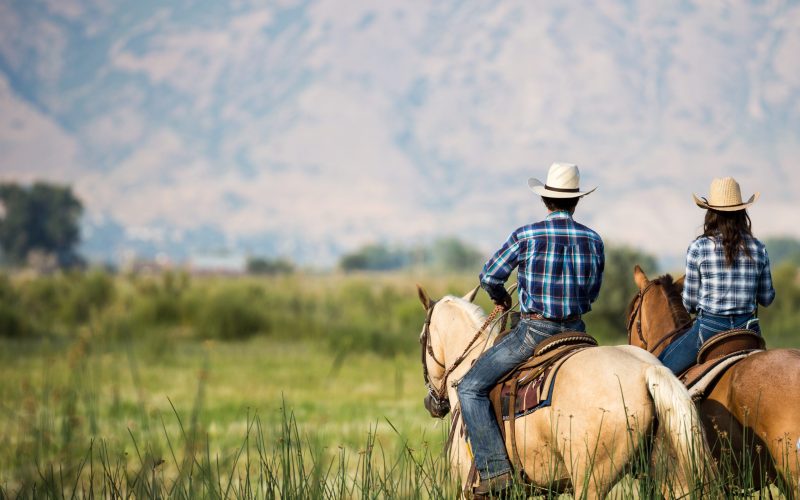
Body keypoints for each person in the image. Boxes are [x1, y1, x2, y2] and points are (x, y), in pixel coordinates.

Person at [456, 162, 605, 496]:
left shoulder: (526, 235)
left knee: (470, 388)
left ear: (545, 201)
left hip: (534, 332)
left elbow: (490, 276)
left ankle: (495, 473)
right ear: (576, 202)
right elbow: (593, 292)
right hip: (578, 334)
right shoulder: (594, 240)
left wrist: (502, 299)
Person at [659, 177, 776, 375]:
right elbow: (767, 299)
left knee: (658, 371)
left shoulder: (699, 247)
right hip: (748, 331)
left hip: (709, 329)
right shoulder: (758, 248)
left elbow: (689, 303)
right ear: (742, 212)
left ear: (711, 213)